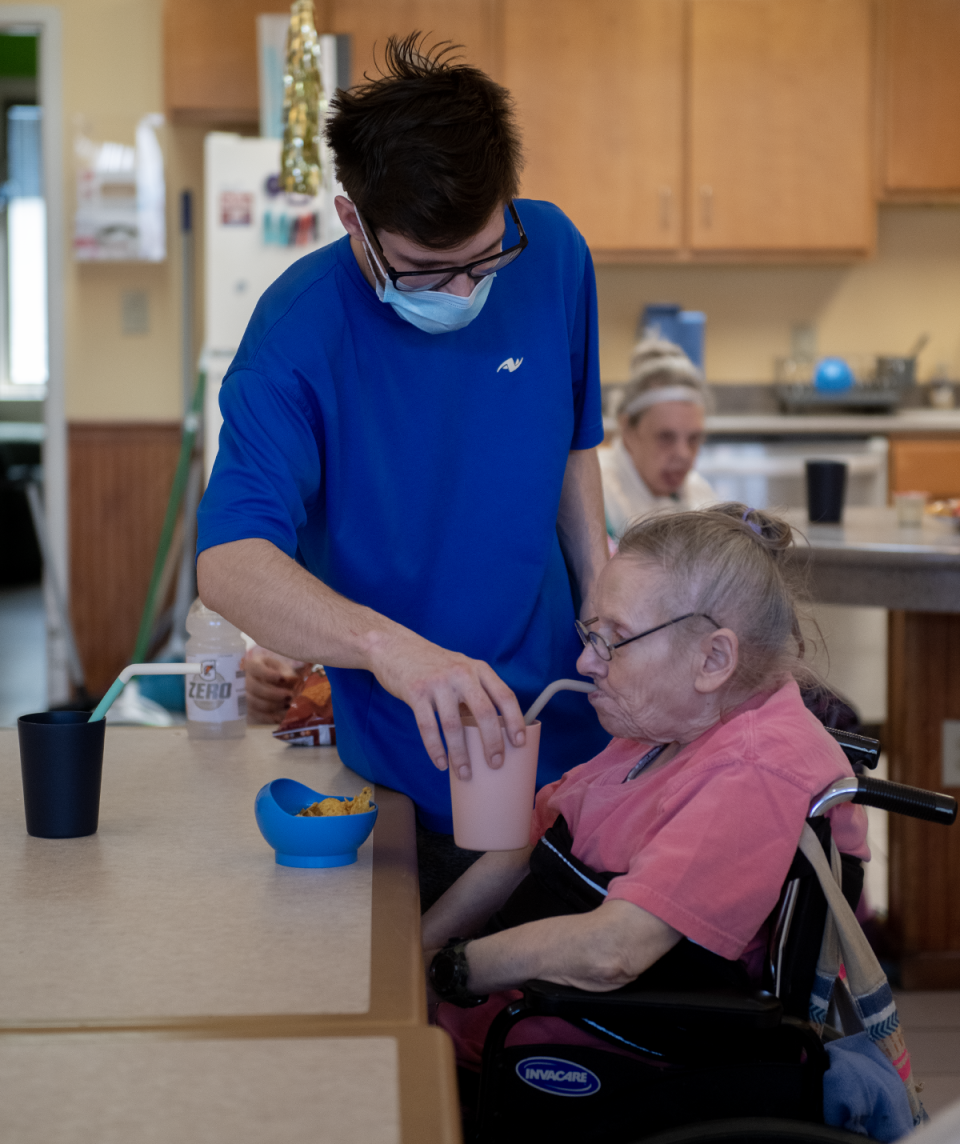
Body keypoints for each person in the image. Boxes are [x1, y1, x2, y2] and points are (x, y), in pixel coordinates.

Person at [195, 35, 611, 905]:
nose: (464, 294)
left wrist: (605, 600)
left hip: (586, 733)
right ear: (354, 220)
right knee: (441, 1015)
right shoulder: (296, 338)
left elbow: (574, 447)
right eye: (428, 271)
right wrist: (393, 652)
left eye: (483, 260)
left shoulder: (557, 254)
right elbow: (229, 563)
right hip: (417, 762)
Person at [421, 504, 869, 1073]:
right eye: (591, 633)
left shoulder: (756, 770)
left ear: (713, 658)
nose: (586, 661)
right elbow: (531, 841)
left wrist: (446, 972)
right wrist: (410, 954)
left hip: (605, 1057)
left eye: (615, 640)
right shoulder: (666, 726)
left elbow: (615, 950)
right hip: (531, 1018)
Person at [600, 336, 716, 539]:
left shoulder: (700, 494)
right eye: (665, 437)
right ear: (627, 430)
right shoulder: (597, 497)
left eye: (694, 439)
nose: (683, 454)